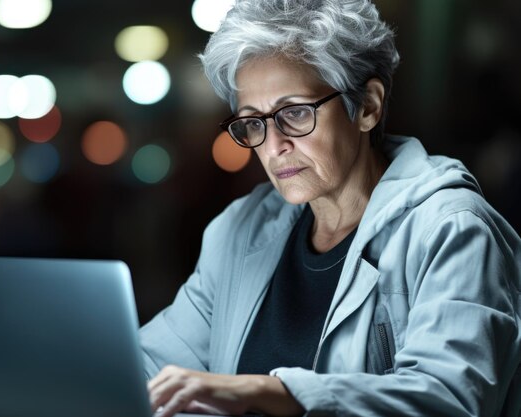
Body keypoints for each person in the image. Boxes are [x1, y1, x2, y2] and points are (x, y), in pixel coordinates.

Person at [139, 0, 521, 416]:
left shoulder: (451, 229)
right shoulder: (240, 231)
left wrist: (273, 392)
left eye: (295, 112)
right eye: (253, 121)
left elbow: (450, 399)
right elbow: (151, 367)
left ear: (368, 107)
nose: (273, 146)